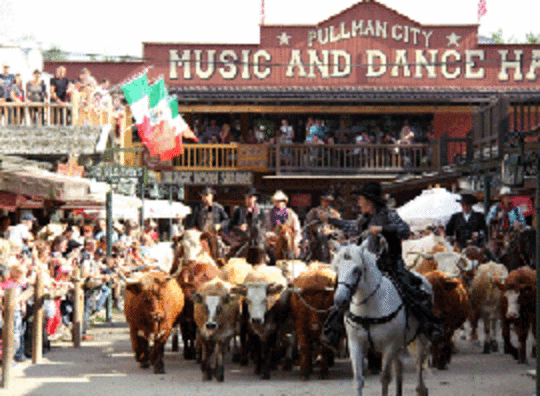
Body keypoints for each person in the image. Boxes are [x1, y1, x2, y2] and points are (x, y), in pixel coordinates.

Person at [319, 182, 445, 351]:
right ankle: (333, 330)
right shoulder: (364, 219)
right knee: (344, 288)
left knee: (410, 289)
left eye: (361, 199)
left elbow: (405, 231)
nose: (358, 203)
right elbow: (352, 227)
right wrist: (331, 220)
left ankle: (432, 326)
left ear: (370, 201)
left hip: (390, 264)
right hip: (369, 266)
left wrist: (383, 229)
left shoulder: (390, 215)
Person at [228, 187, 266, 260]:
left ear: (255, 198)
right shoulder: (239, 211)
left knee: (269, 255)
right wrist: (239, 227)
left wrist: (261, 232)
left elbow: (264, 225)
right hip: (243, 240)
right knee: (233, 256)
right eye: (247, 197)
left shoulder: (260, 211)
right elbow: (230, 225)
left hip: (258, 241)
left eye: (251, 197)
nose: (248, 199)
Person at [265, 190, 302, 262]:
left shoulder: (291, 213)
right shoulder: (269, 214)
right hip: (274, 239)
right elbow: (266, 227)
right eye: (277, 200)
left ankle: (291, 258)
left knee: (294, 249)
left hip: (289, 239)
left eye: (281, 200)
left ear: (285, 202)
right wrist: (269, 234)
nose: (278, 202)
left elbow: (297, 229)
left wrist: (296, 242)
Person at [304, 192, 341, 262]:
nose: (327, 203)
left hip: (330, 239)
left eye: (329, 201)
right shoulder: (313, 212)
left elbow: (340, 229)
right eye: (325, 200)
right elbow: (306, 227)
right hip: (314, 238)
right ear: (321, 201)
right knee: (306, 254)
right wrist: (306, 240)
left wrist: (330, 232)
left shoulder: (335, 214)